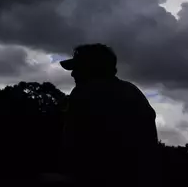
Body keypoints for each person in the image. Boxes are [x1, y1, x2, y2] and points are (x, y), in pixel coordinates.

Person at [59, 43, 158, 183]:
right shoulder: (133, 92)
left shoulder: (83, 94)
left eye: (77, 68)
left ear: (91, 69)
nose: (72, 73)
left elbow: (73, 147)